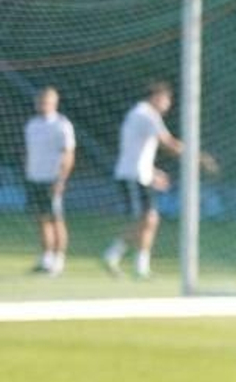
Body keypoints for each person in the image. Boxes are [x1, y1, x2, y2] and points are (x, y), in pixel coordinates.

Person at [103, 81, 214, 279]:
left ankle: (137, 265)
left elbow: (135, 149)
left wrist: (153, 172)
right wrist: (197, 156)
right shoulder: (146, 114)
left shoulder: (141, 114)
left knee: (149, 220)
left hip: (140, 175)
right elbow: (168, 142)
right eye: (166, 99)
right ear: (155, 97)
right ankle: (116, 256)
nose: (168, 103)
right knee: (145, 219)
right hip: (132, 176)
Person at [23, 86, 76, 276]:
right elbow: (29, 153)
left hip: (52, 179)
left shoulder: (62, 125)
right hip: (34, 179)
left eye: (46, 102)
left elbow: (68, 154)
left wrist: (61, 179)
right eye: (40, 102)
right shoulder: (32, 125)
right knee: (41, 219)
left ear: (54, 103)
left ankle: (59, 259)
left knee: (56, 220)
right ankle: (46, 259)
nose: (42, 105)